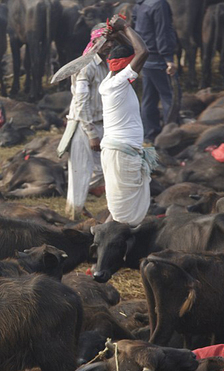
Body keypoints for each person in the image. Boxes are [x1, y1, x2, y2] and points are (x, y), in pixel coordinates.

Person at [99, 17, 157, 226]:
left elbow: (133, 52)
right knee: (125, 213)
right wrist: (125, 27)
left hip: (120, 151)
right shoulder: (120, 84)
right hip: (122, 153)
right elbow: (143, 52)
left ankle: (104, 239)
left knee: (121, 204)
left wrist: (117, 36)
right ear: (127, 67)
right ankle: (109, 243)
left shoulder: (111, 81)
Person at [62, 24, 112, 221]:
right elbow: (81, 103)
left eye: (111, 42)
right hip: (83, 125)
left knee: (102, 171)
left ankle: (78, 209)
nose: (109, 46)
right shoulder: (85, 67)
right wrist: (91, 133)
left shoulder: (106, 64)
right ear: (97, 42)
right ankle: (71, 219)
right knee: (80, 175)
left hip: (101, 123)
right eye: (106, 42)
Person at [132, 0, 178, 144]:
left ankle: (150, 134)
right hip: (158, 57)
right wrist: (168, 58)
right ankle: (170, 135)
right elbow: (162, 31)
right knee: (170, 96)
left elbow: (135, 25)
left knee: (149, 97)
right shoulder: (159, 4)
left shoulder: (140, 4)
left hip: (145, 57)